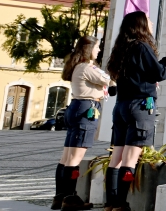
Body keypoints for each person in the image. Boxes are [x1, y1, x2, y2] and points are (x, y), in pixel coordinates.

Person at [105, 11, 166, 211]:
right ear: (142, 24)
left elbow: (150, 69)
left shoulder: (123, 47)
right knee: (130, 158)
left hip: (122, 106)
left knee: (116, 157)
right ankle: (121, 204)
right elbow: (158, 73)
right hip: (140, 106)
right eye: (148, 19)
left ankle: (111, 203)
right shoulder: (142, 46)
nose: (151, 22)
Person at [52, 35, 110, 210]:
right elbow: (108, 79)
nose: (99, 50)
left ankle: (60, 196)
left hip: (77, 106)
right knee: (74, 159)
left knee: (66, 157)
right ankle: (70, 198)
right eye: (97, 47)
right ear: (88, 48)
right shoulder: (86, 67)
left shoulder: (78, 66)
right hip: (86, 109)